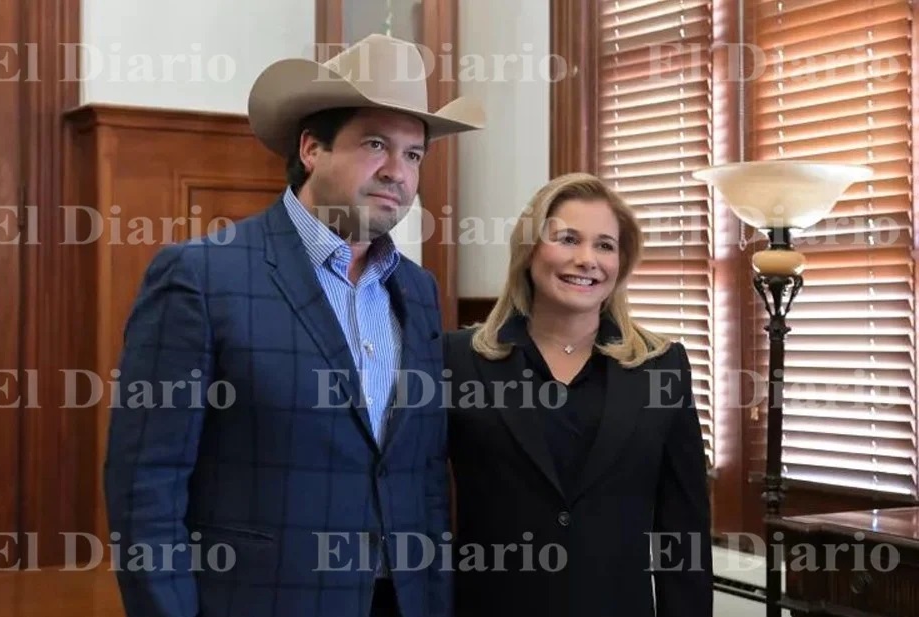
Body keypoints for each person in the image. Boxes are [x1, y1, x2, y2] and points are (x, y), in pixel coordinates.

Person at [102, 34, 484, 617]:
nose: (397, 173)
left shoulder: (419, 291)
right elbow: (145, 490)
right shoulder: (201, 276)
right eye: (375, 144)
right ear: (311, 147)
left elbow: (423, 473)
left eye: (413, 154)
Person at [443, 172, 713, 617]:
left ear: (621, 263)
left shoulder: (661, 366)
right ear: (529, 250)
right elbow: (424, 502)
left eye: (605, 245)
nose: (587, 259)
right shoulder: (456, 359)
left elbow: (682, 529)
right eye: (568, 239)